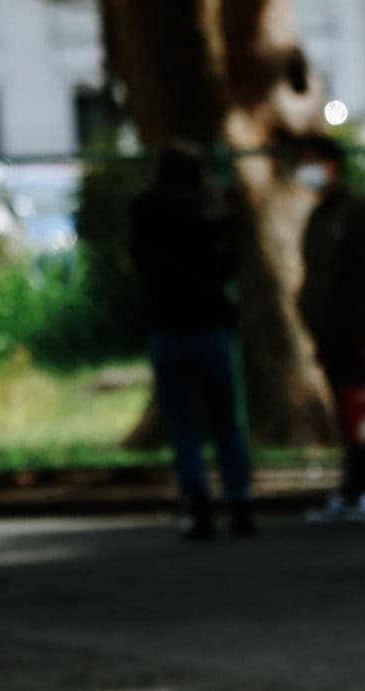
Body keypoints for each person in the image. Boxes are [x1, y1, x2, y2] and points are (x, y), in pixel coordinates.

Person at [128, 143, 255, 541]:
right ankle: (239, 501)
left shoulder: (146, 209)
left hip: (168, 324)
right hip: (211, 322)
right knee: (225, 422)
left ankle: (197, 500)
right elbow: (230, 259)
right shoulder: (211, 208)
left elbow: (139, 260)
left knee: (182, 424)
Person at [296, 136, 365, 524]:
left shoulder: (358, 213)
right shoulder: (319, 217)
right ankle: (354, 486)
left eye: (314, 161)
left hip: (360, 340)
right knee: (347, 416)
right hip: (331, 338)